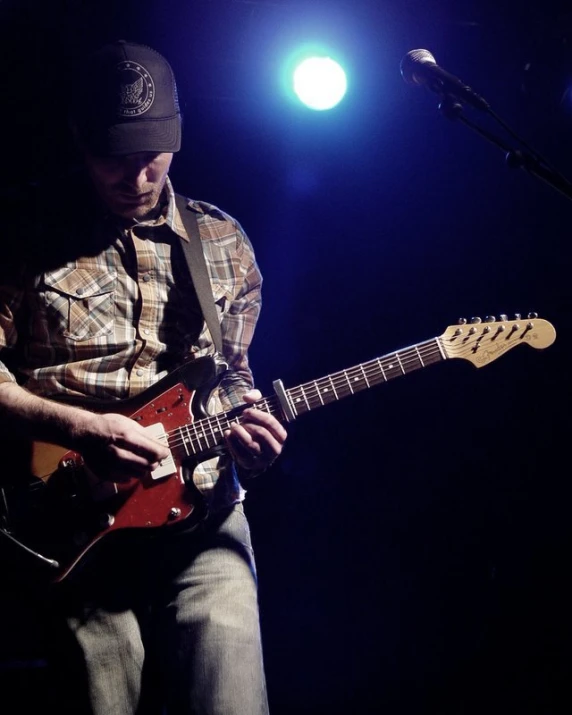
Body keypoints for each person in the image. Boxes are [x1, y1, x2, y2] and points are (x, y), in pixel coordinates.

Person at [0, 39, 287, 714]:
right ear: (79, 139)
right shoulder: (21, 232)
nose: (135, 178)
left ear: (178, 139)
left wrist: (253, 436)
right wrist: (77, 425)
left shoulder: (222, 242)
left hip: (205, 521)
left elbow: (232, 379)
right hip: (72, 520)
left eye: (151, 158)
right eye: (114, 159)